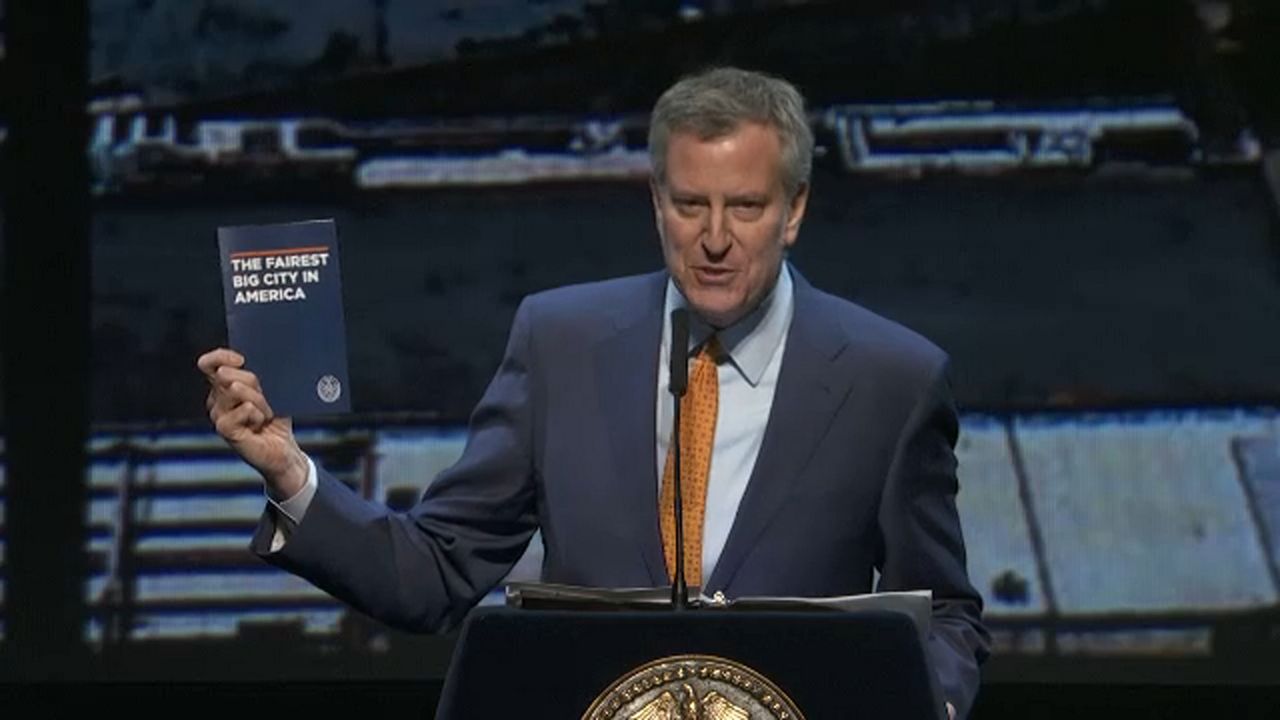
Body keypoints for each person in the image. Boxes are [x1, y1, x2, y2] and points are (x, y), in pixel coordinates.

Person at [199, 67, 989, 718]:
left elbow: (949, 614)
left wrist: (926, 708)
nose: (715, 238)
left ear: (794, 211)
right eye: (690, 205)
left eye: (745, 207)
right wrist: (290, 476)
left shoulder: (893, 378)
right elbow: (434, 574)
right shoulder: (560, 343)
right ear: (656, 203)